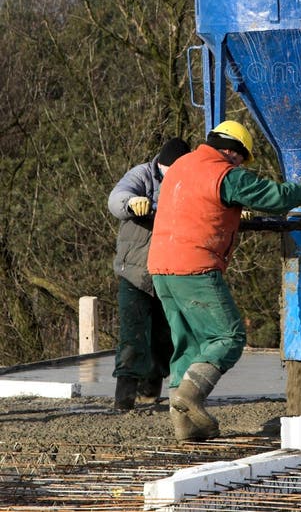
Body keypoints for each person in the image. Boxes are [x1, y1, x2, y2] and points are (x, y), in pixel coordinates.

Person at [147, 119, 301, 442]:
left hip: (161, 267)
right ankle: (189, 396)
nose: (242, 165)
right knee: (228, 336)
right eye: (242, 159)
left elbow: (196, 207)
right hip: (195, 265)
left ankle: (184, 425)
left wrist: (231, 209)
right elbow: (272, 197)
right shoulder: (224, 173)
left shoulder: (181, 166)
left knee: (187, 343)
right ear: (232, 152)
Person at [108, 136, 191, 411]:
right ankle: (124, 397)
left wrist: (235, 212)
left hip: (169, 271)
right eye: (168, 172)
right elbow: (117, 197)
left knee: (164, 337)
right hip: (135, 272)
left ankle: (150, 391)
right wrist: (132, 203)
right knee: (132, 335)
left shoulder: (189, 181)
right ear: (161, 165)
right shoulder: (141, 175)